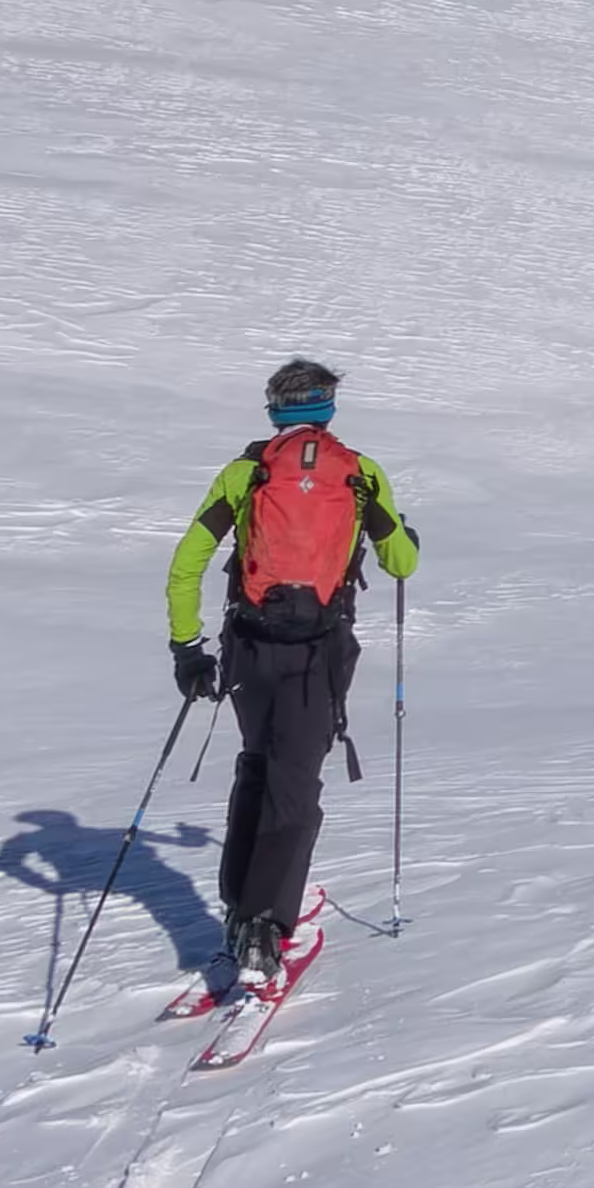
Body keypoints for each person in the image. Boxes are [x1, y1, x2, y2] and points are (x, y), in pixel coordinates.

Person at [161, 357, 422, 994]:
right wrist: (403, 535)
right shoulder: (360, 474)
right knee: (294, 782)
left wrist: (187, 649)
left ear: (275, 410)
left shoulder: (246, 473)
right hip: (319, 652)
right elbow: (401, 563)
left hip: (249, 646)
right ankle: (264, 930)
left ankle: (239, 908)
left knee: (257, 763)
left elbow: (187, 563)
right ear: (327, 409)